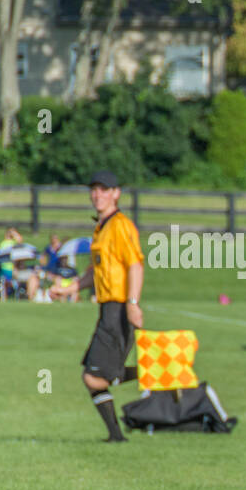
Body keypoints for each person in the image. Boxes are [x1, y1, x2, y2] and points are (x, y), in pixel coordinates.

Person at [76, 171, 143, 442]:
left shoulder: (121, 225)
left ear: (116, 193)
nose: (97, 195)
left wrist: (132, 303)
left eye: (104, 189)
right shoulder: (101, 227)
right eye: (94, 189)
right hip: (107, 308)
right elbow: (95, 271)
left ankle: (152, 373)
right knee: (92, 375)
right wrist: (69, 288)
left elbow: (135, 264)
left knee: (94, 376)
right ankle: (115, 435)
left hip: (118, 307)